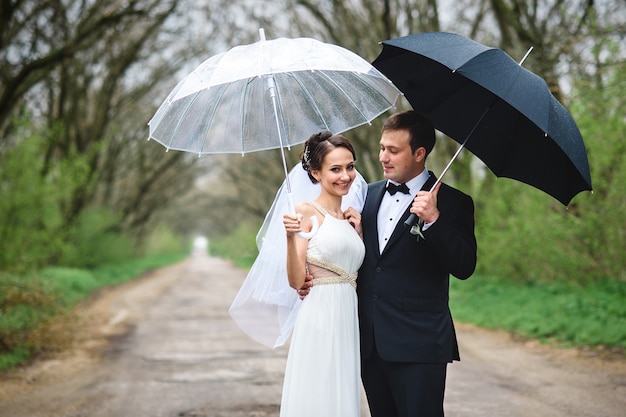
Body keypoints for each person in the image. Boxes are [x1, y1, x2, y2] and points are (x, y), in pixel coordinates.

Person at [356, 110, 477, 417]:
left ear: (420, 153)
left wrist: (434, 221)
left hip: (419, 343)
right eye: (383, 147)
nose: (383, 156)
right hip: (370, 343)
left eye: (393, 150)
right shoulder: (365, 196)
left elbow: (464, 266)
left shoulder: (454, 202)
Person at [279, 131, 366, 417]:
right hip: (321, 316)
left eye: (350, 166)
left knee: (343, 391)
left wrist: (359, 234)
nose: (346, 176)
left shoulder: (352, 218)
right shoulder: (305, 212)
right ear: (316, 173)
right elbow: (295, 281)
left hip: (348, 316)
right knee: (321, 393)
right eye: (335, 169)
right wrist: (291, 237)